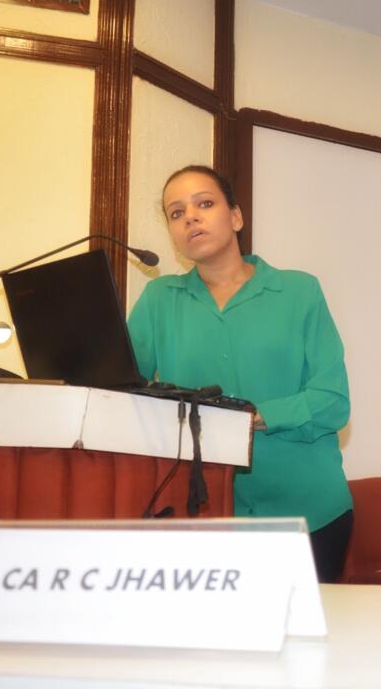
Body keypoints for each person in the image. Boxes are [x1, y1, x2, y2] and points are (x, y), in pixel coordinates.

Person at [128, 164, 352, 581]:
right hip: (203, 514)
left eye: (204, 204)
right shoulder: (158, 299)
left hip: (307, 512)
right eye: (176, 213)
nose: (190, 217)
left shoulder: (299, 291)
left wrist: (249, 417)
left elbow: (332, 401)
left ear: (235, 217)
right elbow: (123, 393)